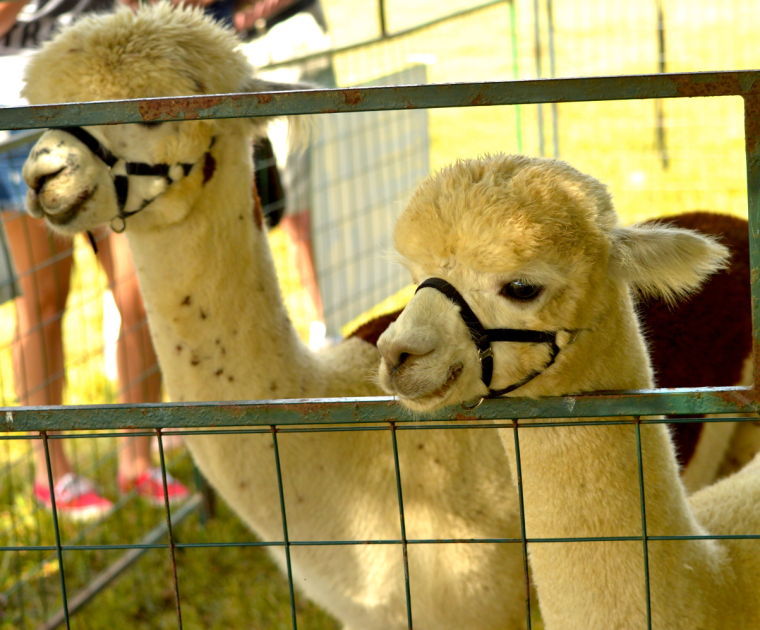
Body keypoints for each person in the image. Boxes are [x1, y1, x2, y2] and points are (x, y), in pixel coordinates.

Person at [0, 0, 188, 521]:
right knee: (43, 301)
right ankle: (50, 471)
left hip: (108, 114)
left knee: (139, 294)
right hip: (20, 123)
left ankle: (137, 455)